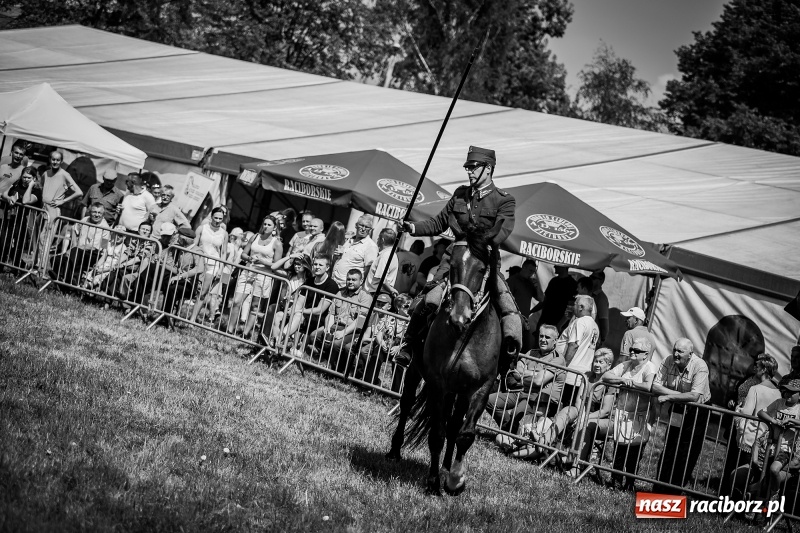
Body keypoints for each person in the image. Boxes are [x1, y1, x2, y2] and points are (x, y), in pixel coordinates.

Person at [397, 146, 519, 368]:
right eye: (467, 168)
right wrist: (412, 227)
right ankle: (408, 344)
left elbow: (502, 231)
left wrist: (480, 243)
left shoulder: (504, 200)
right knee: (429, 299)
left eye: (474, 167)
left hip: (484, 264)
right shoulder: (460, 194)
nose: (469, 171)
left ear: (488, 168)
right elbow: (438, 223)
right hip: (454, 262)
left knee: (509, 310)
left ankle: (509, 368)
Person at [651, 337, 712, 495]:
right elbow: (655, 386)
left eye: (680, 351)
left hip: (697, 411)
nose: (676, 354)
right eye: (674, 350)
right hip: (678, 407)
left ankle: (675, 490)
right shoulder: (668, 360)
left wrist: (669, 396)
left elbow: (694, 396)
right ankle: (659, 486)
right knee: (670, 444)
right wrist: (679, 396)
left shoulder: (700, 366)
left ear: (690, 354)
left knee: (687, 449)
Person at [599, 338, 658, 490]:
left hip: (640, 416)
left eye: (636, 350)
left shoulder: (650, 368)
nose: (632, 352)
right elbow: (605, 376)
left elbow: (648, 386)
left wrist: (631, 383)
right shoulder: (626, 365)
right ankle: (615, 482)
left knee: (634, 454)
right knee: (619, 450)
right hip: (622, 413)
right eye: (631, 349)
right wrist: (622, 380)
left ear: (645, 354)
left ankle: (630, 484)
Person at [486, 324, 564, 434]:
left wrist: (525, 373)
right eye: (541, 336)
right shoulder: (531, 352)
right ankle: (509, 430)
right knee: (489, 401)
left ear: (555, 341)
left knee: (516, 413)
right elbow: (517, 370)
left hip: (538, 399)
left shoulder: (558, 359)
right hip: (521, 391)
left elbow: (538, 381)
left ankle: (511, 433)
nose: (543, 340)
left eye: (547, 337)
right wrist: (535, 373)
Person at [721, 354, 781, 496]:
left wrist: (737, 410)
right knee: (754, 476)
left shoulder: (755, 389)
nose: (754, 368)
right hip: (765, 440)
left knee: (738, 474)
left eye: (757, 366)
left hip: (749, 437)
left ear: (764, 369)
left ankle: (732, 502)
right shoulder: (778, 392)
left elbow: (746, 414)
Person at [268, 255, 338, 351]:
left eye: (320, 265)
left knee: (298, 315)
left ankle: (278, 339)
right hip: (304, 313)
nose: (317, 267)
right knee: (279, 315)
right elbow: (299, 303)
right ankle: (276, 349)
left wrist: (300, 311)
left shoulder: (331, 285)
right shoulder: (309, 281)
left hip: (318, 318)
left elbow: (320, 310)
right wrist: (292, 310)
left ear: (327, 267)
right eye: (315, 264)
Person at [227, 215, 282, 338]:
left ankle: (245, 333)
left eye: (269, 225)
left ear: (274, 228)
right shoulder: (255, 237)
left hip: (264, 275)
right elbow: (243, 254)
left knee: (255, 306)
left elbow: (276, 265)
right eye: (264, 224)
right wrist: (249, 258)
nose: (266, 226)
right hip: (248, 271)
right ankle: (229, 330)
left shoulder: (277, 243)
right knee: (236, 301)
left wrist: (262, 261)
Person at [308, 268, 372, 368]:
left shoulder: (366, 296)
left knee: (336, 343)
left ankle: (332, 368)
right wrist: (327, 328)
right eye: (348, 279)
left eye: (354, 280)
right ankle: (325, 358)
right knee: (314, 335)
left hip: (354, 331)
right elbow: (331, 313)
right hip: (336, 325)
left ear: (361, 281)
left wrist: (343, 333)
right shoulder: (340, 293)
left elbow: (360, 321)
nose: (350, 282)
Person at [352, 293, 412, 386]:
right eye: (407, 306)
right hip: (386, 343)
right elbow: (379, 334)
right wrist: (381, 342)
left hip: (400, 347)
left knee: (400, 360)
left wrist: (398, 347)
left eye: (411, 307)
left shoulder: (412, 322)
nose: (409, 309)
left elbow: (409, 340)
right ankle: (368, 385)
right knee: (376, 354)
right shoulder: (389, 317)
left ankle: (394, 393)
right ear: (398, 307)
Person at [38, 151, 83, 267]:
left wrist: (63, 201)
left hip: (53, 211)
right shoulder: (46, 173)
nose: (55, 162)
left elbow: (79, 192)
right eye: (53, 159)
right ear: (50, 160)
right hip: (43, 209)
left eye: (58, 160)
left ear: (61, 161)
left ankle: (42, 267)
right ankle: (38, 263)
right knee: (40, 237)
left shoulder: (65, 174)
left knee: (46, 239)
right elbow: (41, 186)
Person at [758, 378, 800, 501]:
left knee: (774, 469)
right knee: (763, 476)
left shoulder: (798, 409)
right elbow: (761, 412)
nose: (788, 394)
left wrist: (791, 421)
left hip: (786, 449)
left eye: (792, 392)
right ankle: (758, 501)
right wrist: (773, 420)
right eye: (787, 391)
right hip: (771, 446)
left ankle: (774, 493)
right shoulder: (778, 403)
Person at [48, 202, 110, 285]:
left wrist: (74, 249)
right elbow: (73, 229)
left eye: (99, 213)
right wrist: (74, 244)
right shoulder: (85, 219)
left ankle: (63, 278)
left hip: (93, 255)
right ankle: (64, 281)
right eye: (94, 212)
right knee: (55, 259)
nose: (96, 215)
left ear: (103, 214)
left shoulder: (106, 228)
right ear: (90, 212)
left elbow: (93, 247)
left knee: (75, 253)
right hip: (78, 250)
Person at [555, 294, 600, 405]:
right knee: (570, 406)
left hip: (570, 374)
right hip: (581, 375)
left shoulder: (580, 322)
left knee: (561, 406)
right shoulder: (594, 325)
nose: (572, 307)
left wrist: (562, 366)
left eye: (575, 304)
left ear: (581, 307)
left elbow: (574, 345)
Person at [191, 207, 229, 322]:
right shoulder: (202, 228)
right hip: (199, 262)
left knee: (203, 292)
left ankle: (192, 319)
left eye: (220, 219)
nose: (217, 220)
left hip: (213, 264)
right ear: (211, 217)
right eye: (215, 218)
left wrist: (220, 269)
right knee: (192, 290)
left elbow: (223, 252)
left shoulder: (224, 233)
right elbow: (194, 245)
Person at [1, 167, 42, 268]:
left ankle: (17, 269)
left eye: (29, 178)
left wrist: (31, 185)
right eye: (24, 177)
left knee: (18, 247)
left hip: (24, 222)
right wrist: (9, 198)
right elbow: (4, 194)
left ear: (34, 178)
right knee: (4, 243)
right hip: (10, 219)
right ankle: (2, 266)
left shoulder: (37, 191)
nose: (26, 179)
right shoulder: (17, 183)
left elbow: (25, 201)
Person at [332, 214, 378, 288]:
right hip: (334, 281)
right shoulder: (349, 240)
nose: (363, 229)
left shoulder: (371, 246)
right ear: (356, 225)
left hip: (347, 286)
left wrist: (358, 286)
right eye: (361, 225)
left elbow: (369, 270)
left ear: (370, 229)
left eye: (367, 227)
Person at [532, 265, 578, 335]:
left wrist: (560, 325)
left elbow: (570, 309)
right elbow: (545, 301)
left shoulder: (572, 284)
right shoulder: (553, 281)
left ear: (564, 266)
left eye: (557, 265)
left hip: (559, 326)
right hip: (545, 322)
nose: (554, 266)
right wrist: (531, 311)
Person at [363, 227, 399, 297]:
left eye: (378, 237)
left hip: (373, 295)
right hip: (376, 294)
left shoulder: (385, 255)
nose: (377, 240)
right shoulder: (391, 254)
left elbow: (382, 278)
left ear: (382, 240)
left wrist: (391, 289)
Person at [590, 271, 610, 345]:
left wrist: (602, 339)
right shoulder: (590, 294)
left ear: (601, 281)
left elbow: (604, 321)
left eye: (593, 278)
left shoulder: (601, 298)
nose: (590, 279)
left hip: (593, 339)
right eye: (590, 277)